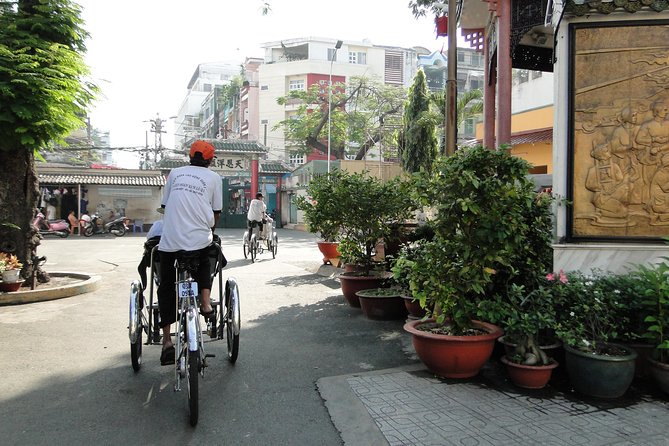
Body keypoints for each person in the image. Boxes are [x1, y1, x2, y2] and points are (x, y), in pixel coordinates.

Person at [157, 140, 223, 366]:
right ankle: (205, 302)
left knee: (166, 286)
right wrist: (209, 229)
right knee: (207, 254)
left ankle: (166, 341)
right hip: (197, 240)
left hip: (170, 241)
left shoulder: (174, 173)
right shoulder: (214, 178)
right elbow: (216, 213)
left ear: (190, 156)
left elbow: (165, 207)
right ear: (210, 159)